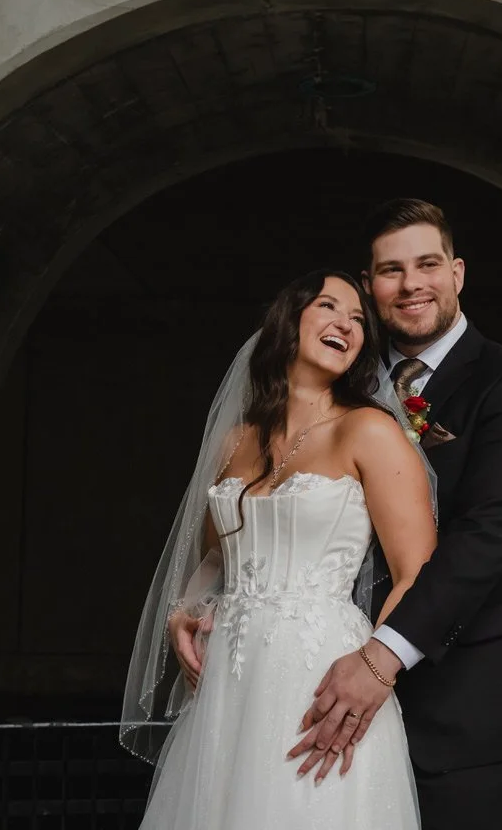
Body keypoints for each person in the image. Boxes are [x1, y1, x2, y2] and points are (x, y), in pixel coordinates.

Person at [284, 199, 502, 830]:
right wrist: (207, 601)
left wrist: (380, 659)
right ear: (370, 287)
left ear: (457, 273)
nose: (411, 283)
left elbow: (488, 537)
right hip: (327, 690)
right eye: (391, 271)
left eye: (427, 264)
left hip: (470, 702)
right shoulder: (345, 386)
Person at [122, 269, 438, 830]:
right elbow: (216, 560)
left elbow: (418, 571)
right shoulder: (236, 440)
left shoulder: (368, 431)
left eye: (359, 319)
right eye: (329, 307)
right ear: (287, 323)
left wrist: (373, 671)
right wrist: (185, 612)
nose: (347, 323)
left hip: (322, 674)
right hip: (229, 682)